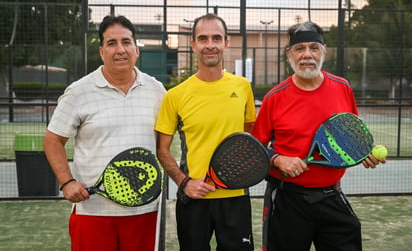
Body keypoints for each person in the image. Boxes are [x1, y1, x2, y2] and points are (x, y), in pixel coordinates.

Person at [252, 21, 387, 251]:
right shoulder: (274, 98)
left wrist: (362, 153)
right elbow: (256, 150)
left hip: (331, 195)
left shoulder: (342, 87)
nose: (307, 55)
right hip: (288, 200)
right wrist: (277, 159)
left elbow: (351, 133)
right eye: (299, 48)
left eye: (314, 48)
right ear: (289, 54)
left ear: (323, 51)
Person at [42, 15, 166, 251]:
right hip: (93, 212)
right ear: (101, 51)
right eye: (112, 43)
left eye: (126, 42)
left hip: (145, 211)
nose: (120, 50)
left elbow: (164, 145)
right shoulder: (78, 91)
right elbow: (52, 140)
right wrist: (67, 182)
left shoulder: (156, 90)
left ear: (136, 49)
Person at [155, 13, 256, 250]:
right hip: (193, 197)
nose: (210, 45)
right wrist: (184, 182)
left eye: (216, 38)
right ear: (193, 45)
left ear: (226, 43)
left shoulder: (242, 87)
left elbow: (250, 134)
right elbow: (162, 150)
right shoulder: (175, 95)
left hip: (235, 197)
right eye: (203, 38)